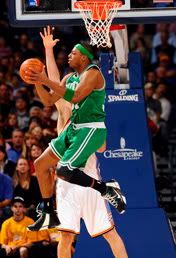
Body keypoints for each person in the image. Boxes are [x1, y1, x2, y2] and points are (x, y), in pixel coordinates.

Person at [33, 26, 128, 258]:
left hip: (87, 180)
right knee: (64, 237)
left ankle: (107, 190)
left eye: (73, 53)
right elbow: (53, 88)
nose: (69, 57)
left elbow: (102, 146)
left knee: (110, 234)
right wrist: (38, 76)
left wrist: (46, 72)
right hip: (66, 185)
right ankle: (46, 209)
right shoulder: (65, 100)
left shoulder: (85, 90)